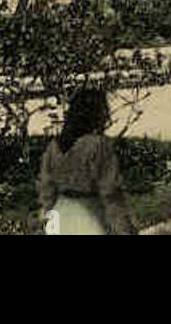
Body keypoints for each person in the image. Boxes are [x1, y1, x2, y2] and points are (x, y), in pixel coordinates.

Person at [36, 87, 134, 235]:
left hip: (59, 213)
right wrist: (125, 229)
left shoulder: (54, 147)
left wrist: (45, 222)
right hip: (88, 216)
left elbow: (46, 191)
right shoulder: (98, 146)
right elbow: (110, 193)